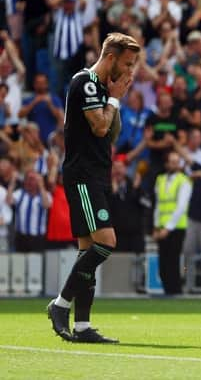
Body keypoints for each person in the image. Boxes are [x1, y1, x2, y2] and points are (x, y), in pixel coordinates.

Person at [47, 32, 140, 343]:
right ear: (110, 57)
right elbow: (99, 125)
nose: (130, 71)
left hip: (97, 173)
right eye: (127, 64)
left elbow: (110, 134)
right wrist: (114, 99)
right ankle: (60, 305)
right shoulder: (86, 82)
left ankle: (83, 326)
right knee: (105, 241)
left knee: (87, 251)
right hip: (83, 175)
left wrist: (115, 98)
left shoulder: (103, 88)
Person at [152, 150, 192, 295]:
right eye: (172, 161)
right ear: (167, 163)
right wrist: (156, 227)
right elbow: (158, 205)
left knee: (173, 262)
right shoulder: (160, 179)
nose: (175, 164)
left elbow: (181, 207)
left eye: (177, 162)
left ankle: (176, 293)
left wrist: (167, 228)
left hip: (176, 227)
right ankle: (167, 293)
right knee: (163, 265)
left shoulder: (184, 180)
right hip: (162, 226)